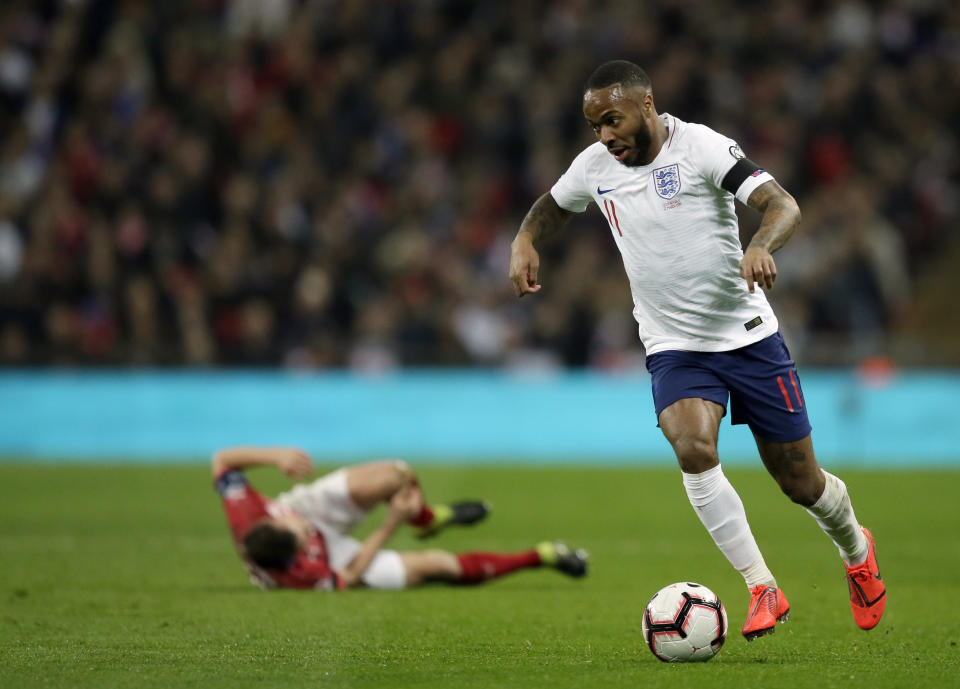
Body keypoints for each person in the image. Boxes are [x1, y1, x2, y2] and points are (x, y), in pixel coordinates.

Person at [508, 60, 885, 640]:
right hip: (675, 347)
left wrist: (760, 244)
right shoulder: (594, 168)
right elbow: (552, 205)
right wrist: (525, 239)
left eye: (612, 120)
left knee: (801, 483)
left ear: (646, 106)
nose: (604, 136)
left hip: (749, 338)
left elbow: (783, 204)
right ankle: (763, 588)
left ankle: (857, 551)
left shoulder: (701, 147)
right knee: (691, 446)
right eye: (594, 127)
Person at [212, 446, 588, 590]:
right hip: (340, 558)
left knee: (396, 474)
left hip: (309, 504)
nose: (304, 529)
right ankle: (543, 554)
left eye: (295, 527)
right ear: (298, 554)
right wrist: (390, 522)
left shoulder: (247, 512)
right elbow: (349, 577)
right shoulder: (301, 573)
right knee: (438, 566)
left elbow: (222, 460)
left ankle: (426, 519)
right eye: (302, 535)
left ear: (274, 521)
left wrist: (275, 456)